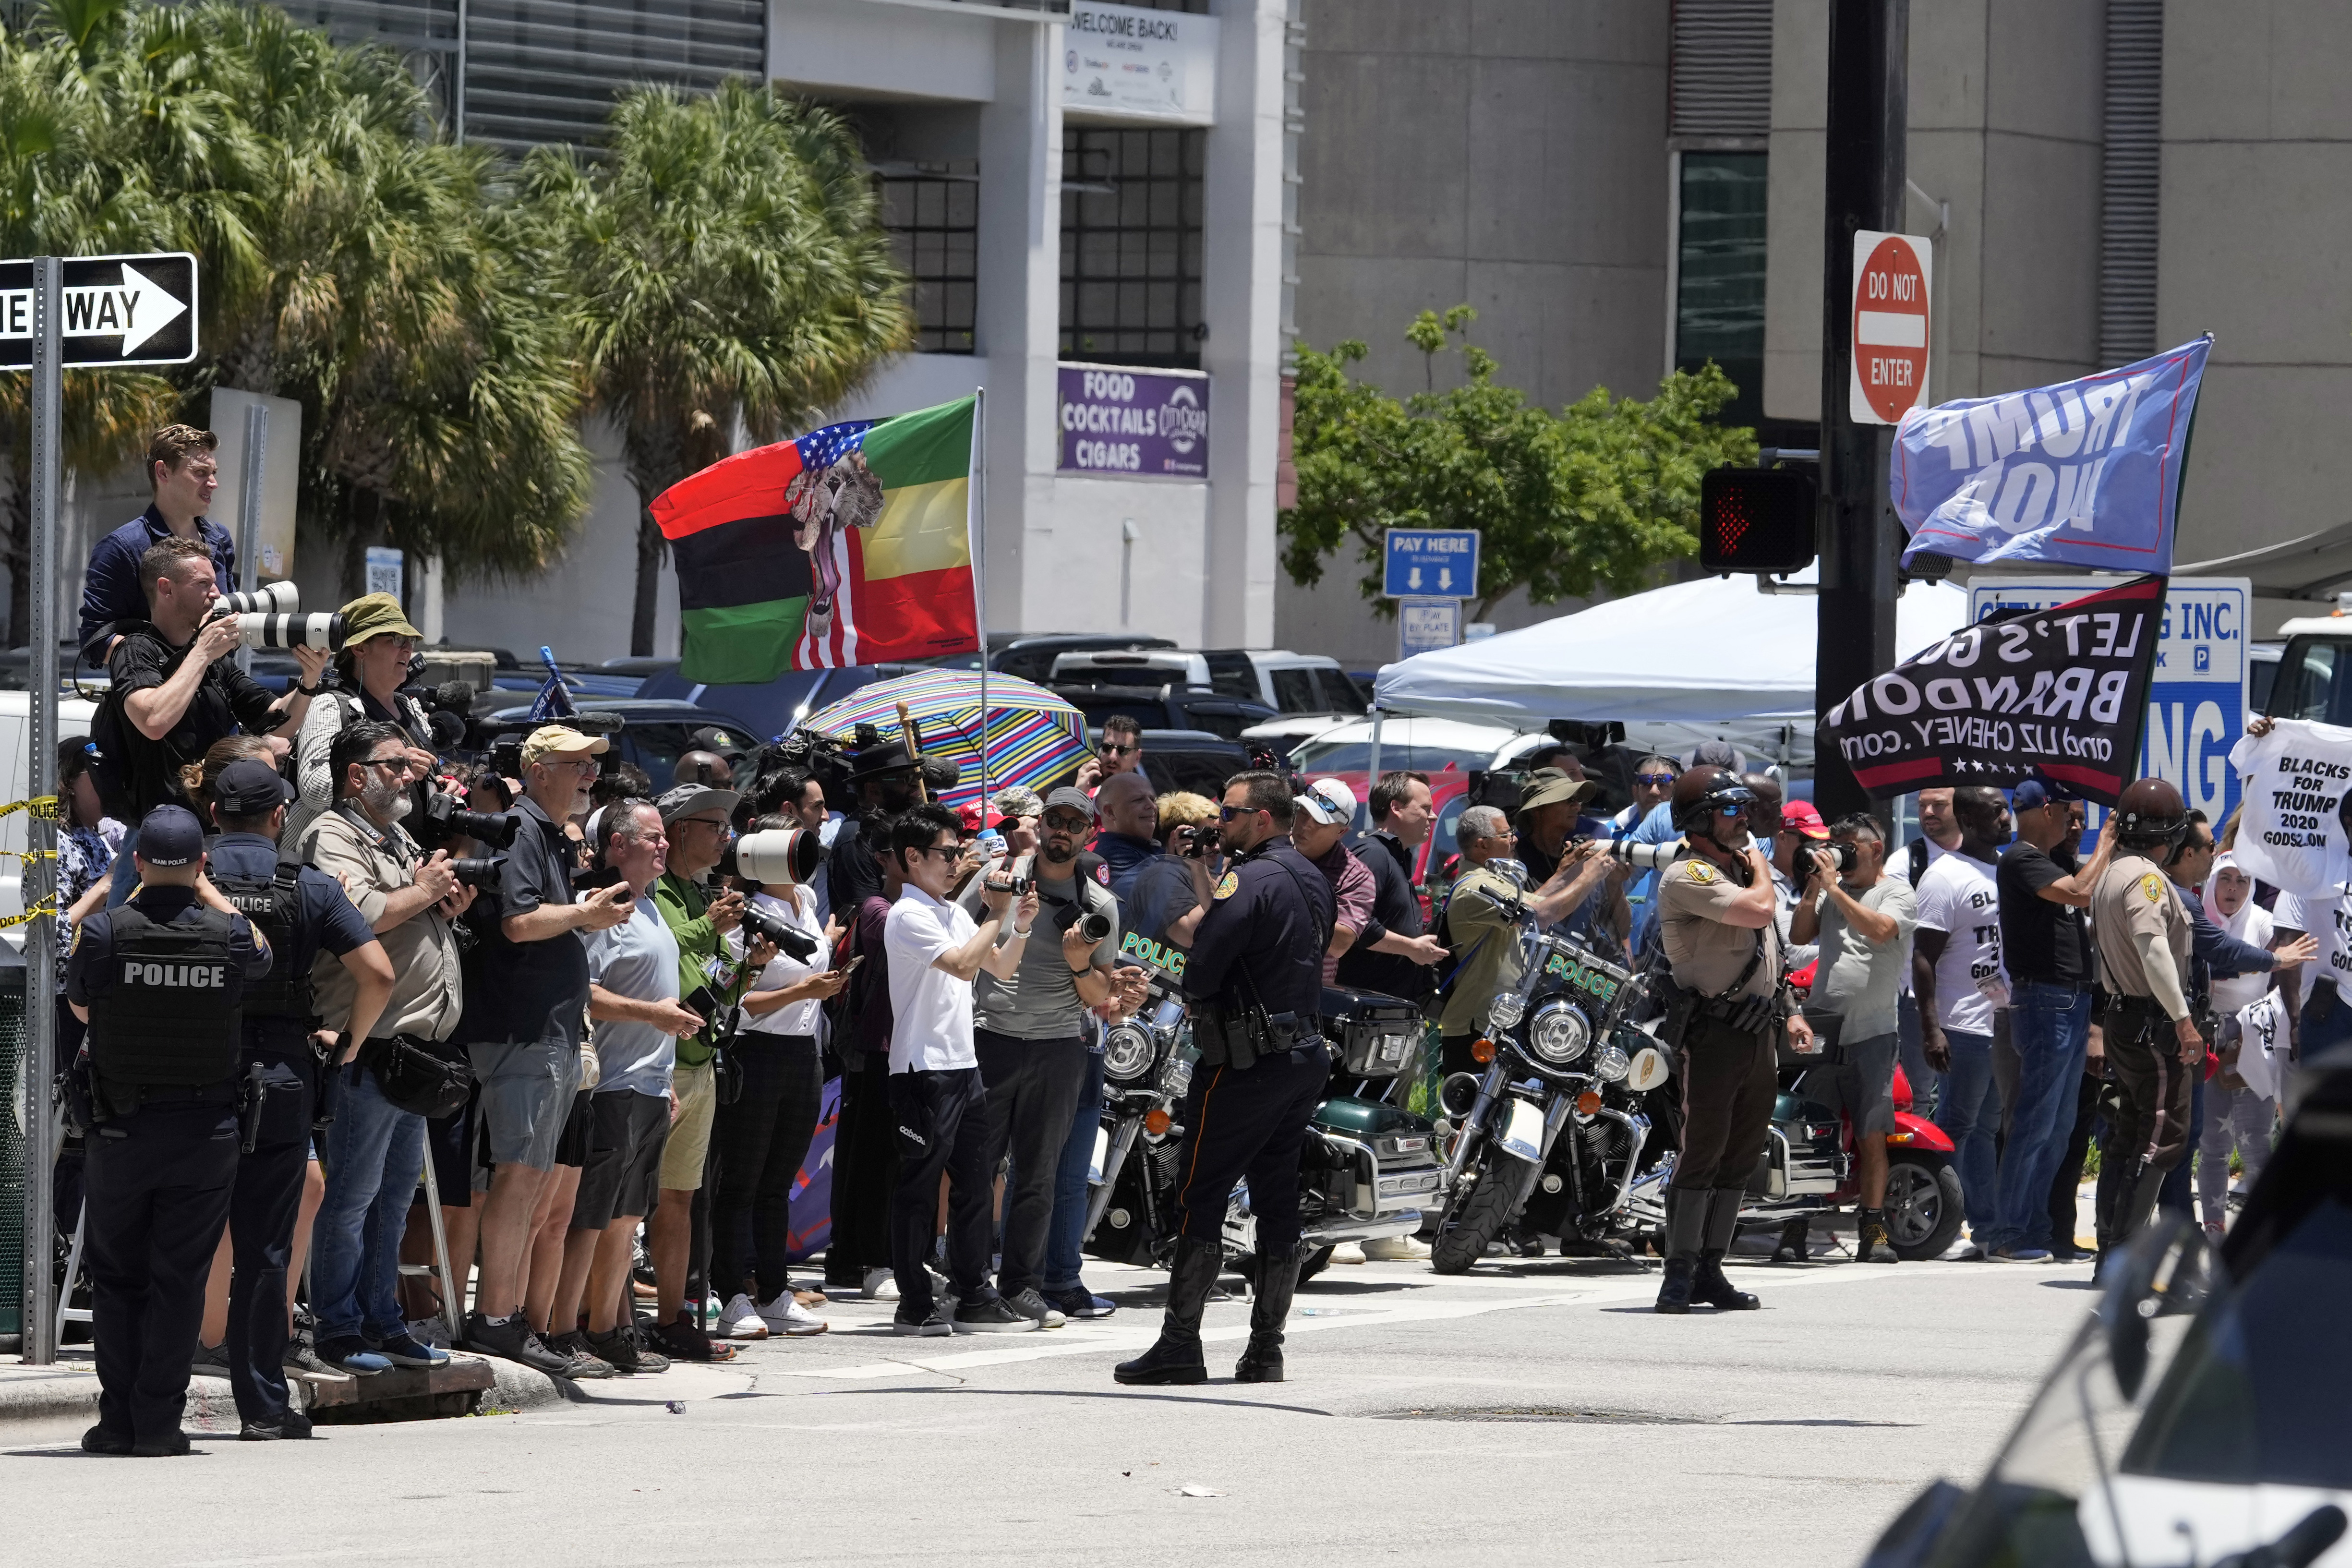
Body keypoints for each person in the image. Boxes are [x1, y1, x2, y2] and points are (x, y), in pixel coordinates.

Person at [181, 754, 396, 1430]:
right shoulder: (309, 886)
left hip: (189, 1075)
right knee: (266, 1248)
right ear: (279, 817)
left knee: (180, 1235)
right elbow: (379, 975)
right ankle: (264, 1406)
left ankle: (153, 1395)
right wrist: (351, 1044)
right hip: (279, 1074)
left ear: (213, 813)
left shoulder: (186, 874)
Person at [1117, 770, 1337, 1387]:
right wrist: (1202, 875)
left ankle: (1180, 1343)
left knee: (1201, 1192)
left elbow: (1205, 963)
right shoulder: (1308, 875)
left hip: (1245, 1062)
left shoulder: (1251, 877)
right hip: (1298, 1056)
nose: (1221, 825)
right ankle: (1266, 1348)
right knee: (1276, 1199)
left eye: (1231, 814)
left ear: (1263, 818)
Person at [67, 805, 273, 1456]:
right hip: (204, 1131)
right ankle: (159, 1422)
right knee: (179, 1277)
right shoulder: (230, 936)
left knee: (119, 1276)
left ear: (135, 862)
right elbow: (262, 955)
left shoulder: (102, 932)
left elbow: (81, 1005)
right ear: (202, 865)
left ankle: (119, 1420)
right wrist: (207, 893)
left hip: (121, 1129)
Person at [294, 723, 474, 1383]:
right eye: (392, 764)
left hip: (412, 1054)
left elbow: (403, 908)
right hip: (367, 1046)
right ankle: (337, 1327)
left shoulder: (395, 835)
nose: (407, 774)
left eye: (408, 763)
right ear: (354, 774)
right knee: (350, 1196)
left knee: (394, 1197)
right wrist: (423, 894)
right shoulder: (332, 835)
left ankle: (382, 1319)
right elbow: (358, 916)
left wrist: (442, 906)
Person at [455, 724, 635, 1372]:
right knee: (520, 1176)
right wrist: (584, 915)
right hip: (523, 1030)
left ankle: (505, 1318)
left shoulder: (545, 833)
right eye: (575, 764)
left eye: (593, 764)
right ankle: (498, 1319)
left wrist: (584, 903)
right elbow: (518, 921)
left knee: (528, 1180)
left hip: (546, 1029)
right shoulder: (524, 828)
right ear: (536, 771)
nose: (590, 774)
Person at [1651, 765, 1813, 1315]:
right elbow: (1761, 911)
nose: (1742, 817)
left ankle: (1711, 1268)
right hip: (1713, 1033)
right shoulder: (1688, 875)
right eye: (1729, 809)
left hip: (1757, 1031)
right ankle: (1678, 1272)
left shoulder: (1739, 871)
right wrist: (1764, 866)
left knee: (1740, 1155)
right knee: (1701, 1152)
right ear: (1698, 821)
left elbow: (1773, 957)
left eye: (1743, 808)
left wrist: (1789, 1010)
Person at [557, 800, 706, 1374]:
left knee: (625, 1220)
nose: (665, 846)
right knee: (592, 1218)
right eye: (653, 837)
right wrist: (652, 1015)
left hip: (648, 1085)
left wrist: (665, 1076)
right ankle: (566, 1327)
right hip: (611, 1086)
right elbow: (585, 994)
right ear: (618, 846)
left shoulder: (651, 909)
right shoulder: (605, 910)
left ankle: (607, 1328)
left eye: (666, 837)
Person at [96, 538, 330, 901]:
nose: (216, 594)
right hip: (159, 836)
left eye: (215, 583)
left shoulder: (215, 660)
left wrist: (308, 682)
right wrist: (201, 652)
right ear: (166, 589)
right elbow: (153, 720)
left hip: (215, 836)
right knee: (130, 942)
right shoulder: (136, 650)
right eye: (203, 584)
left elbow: (276, 722)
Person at [966, 786, 1122, 1327]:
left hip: (1058, 1046)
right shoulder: (1000, 874)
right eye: (1054, 819)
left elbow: (1100, 995)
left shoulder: (1100, 906)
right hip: (991, 1037)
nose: (1062, 830)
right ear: (1042, 823)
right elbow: (956, 940)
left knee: (1038, 1174)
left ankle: (1023, 1286)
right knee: (976, 1167)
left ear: (1089, 834)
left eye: (1073, 824)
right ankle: (966, 1282)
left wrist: (1080, 963)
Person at [883, 803, 1040, 1335]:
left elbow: (999, 966)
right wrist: (996, 913)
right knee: (919, 1187)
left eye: (959, 852)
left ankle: (973, 1290)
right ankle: (913, 1300)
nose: (956, 862)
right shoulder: (907, 914)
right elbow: (962, 963)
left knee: (977, 1181)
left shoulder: (949, 910)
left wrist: (1017, 925)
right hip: (920, 1067)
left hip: (963, 1062)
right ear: (913, 856)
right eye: (947, 853)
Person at [645, 781, 772, 1361]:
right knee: (627, 1204)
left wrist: (749, 968)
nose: (727, 837)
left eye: (727, 827)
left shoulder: (702, 893)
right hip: (658, 1064)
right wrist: (712, 927)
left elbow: (714, 987)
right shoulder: (661, 892)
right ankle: (610, 1320)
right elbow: (664, 948)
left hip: (701, 1064)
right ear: (679, 832)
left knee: (681, 1199)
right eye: (715, 827)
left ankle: (674, 1319)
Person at [711, 813, 846, 1340]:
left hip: (800, 1053)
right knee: (741, 1181)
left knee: (778, 1183)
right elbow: (738, 1001)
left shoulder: (805, 902)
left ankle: (775, 1290)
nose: (804, 854)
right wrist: (803, 990)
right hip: (757, 1051)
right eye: (792, 844)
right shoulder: (744, 912)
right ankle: (732, 1293)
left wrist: (830, 951)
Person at [1985, 775, 2114, 1264]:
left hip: (2072, 998)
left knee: (2058, 1125)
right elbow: (2082, 892)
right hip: (2045, 997)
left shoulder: (2054, 858)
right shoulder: (2021, 858)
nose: (2074, 822)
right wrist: (2107, 842)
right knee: (2035, 1120)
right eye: (2067, 812)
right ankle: (2008, 1231)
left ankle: (2037, 1229)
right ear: (2043, 811)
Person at [1790, 812, 1918, 1264]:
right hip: (1823, 1026)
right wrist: (1813, 885)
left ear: (1876, 849)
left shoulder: (1896, 892)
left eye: (1849, 847)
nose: (1840, 854)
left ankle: (1873, 1230)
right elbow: (1798, 933)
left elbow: (1880, 929)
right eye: (1835, 845)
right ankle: (1795, 1225)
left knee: (1870, 1134)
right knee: (1810, 1131)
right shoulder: (1828, 889)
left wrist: (1834, 888)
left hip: (1873, 1032)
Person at [2088, 777, 2203, 1269]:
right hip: (2150, 1022)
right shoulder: (2146, 879)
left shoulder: (2113, 873)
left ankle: (2111, 1253)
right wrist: (2183, 1019)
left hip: (2124, 1019)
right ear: (2172, 835)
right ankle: (2123, 1260)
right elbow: (2152, 946)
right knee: (2162, 1138)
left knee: (2130, 1134)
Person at [1912, 784, 2011, 1260]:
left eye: (2006, 809)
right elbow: (1924, 958)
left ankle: (1987, 1227)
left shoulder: (2006, 869)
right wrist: (1931, 1028)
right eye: (1996, 812)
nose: (2006, 819)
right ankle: (1943, 1226)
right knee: (1955, 1124)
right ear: (1970, 819)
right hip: (1962, 1024)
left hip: (2002, 1025)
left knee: (1987, 1126)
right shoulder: (1944, 876)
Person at [822, 810, 905, 1300]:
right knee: (873, 1160)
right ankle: (867, 1257)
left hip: (908, 1050)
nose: (931, 861)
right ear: (884, 859)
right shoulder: (876, 908)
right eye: (911, 851)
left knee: (893, 1159)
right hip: (877, 1046)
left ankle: (878, 1254)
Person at [2198, 852, 2302, 1239]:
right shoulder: (2199, 921)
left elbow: (2278, 975)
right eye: (2225, 879)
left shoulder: (2261, 921)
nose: (2233, 888)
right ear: (2212, 883)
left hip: (2252, 1038)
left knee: (2255, 1138)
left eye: (2242, 880)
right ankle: (2213, 1227)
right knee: (2212, 1142)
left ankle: (2265, 1230)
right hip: (2206, 1038)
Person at [285, 594, 437, 849]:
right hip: (342, 862)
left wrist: (440, 788)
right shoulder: (332, 706)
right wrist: (392, 766)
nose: (408, 649)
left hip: (404, 861)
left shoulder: (410, 708)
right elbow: (315, 788)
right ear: (360, 648)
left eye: (410, 640)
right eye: (397, 639)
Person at [77, 425, 235, 660]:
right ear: (163, 473)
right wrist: (173, 663)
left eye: (214, 473)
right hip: (153, 692)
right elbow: (96, 639)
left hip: (219, 692)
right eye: (201, 473)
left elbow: (230, 621)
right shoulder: (122, 547)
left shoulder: (219, 539)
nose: (213, 483)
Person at [1337, 770, 1443, 1009]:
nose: (1434, 817)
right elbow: (1355, 925)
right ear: (1396, 807)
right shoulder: (1374, 854)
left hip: (1387, 1007)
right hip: (1364, 1007)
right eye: (1426, 809)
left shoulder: (1395, 857)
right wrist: (1412, 948)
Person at [1895, 785, 1962, 1116]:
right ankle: (1916, 1169)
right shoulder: (1904, 862)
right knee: (1916, 1097)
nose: (1928, 813)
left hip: (1974, 1001)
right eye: (1922, 806)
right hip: (1916, 1000)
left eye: (1938, 805)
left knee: (1966, 1101)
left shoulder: (1985, 859)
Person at [1514, 767, 1622, 943]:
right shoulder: (1517, 861)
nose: (1578, 807)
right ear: (1538, 810)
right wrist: (1565, 874)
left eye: (1578, 800)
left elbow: (1620, 930)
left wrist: (1615, 885)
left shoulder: (1583, 857)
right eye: (1569, 800)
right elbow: (1526, 917)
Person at [824, 738, 923, 917]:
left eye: (917, 775)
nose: (915, 785)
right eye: (905, 779)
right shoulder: (855, 839)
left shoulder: (903, 828)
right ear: (873, 789)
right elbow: (866, 920)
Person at [1125, 791, 1220, 950]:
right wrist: (1228, 881)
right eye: (1209, 838)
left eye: (1219, 837)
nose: (1217, 847)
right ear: (1177, 838)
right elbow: (1190, 935)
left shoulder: (1206, 875)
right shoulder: (1162, 875)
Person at [1772, 797, 1827, 972]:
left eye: (1819, 841)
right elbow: (1793, 954)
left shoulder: (1824, 878)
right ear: (1782, 838)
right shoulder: (1760, 881)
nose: (1814, 848)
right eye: (1806, 840)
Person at [1091, 770, 1162, 900]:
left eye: (1152, 799)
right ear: (1110, 812)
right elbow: (1164, 906)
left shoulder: (1146, 848)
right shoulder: (1113, 858)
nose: (1151, 806)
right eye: (1138, 800)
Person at [1074, 714, 1145, 793]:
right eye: (1107, 748)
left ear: (1137, 758)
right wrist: (1078, 793)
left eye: (1122, 750)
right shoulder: (1086, 799)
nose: (1112, 757)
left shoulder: (1146, 803)